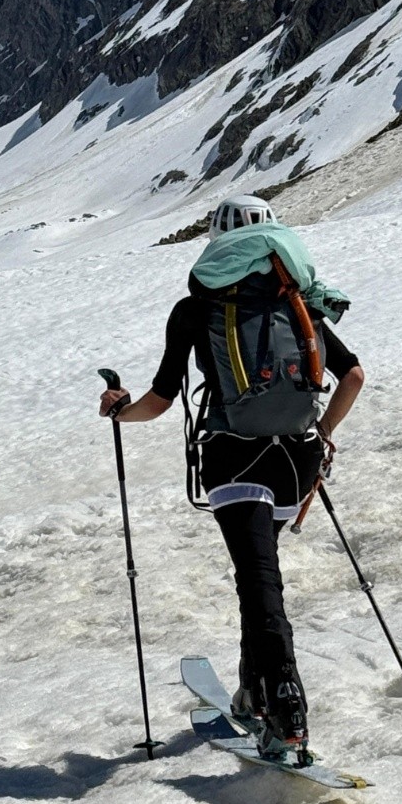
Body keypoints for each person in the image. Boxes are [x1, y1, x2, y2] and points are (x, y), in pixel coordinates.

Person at [98, 193, 364, 757]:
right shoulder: (302, 304)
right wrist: (325, 434)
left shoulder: (196, 309)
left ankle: (287, 702)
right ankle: (252, 689)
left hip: (233, 460)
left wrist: (119, 409)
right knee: (259, 574)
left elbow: (162, 400)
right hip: (297, 464)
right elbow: (354, 376)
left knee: (258, 583)